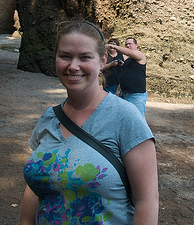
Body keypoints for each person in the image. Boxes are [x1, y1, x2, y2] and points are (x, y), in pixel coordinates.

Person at [20, 21, 158, 225]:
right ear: (56, 59)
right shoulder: (49, 118)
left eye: (85, 57)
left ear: (102, 61)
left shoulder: (126, 117)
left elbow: (146, 200)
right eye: (65, 56)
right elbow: (35, 188)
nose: (73, 66)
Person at [106, 37, 147, 116]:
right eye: (126, 44)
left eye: (130, 44)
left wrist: (113, 47)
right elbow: (123, 76)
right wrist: (118, 90)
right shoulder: (128, 60)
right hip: (125, 94)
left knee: (138, 119)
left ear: (136, 45)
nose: (128, 45)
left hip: (136, 95)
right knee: (127, 118)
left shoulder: (140, 55)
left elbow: (129, 52)